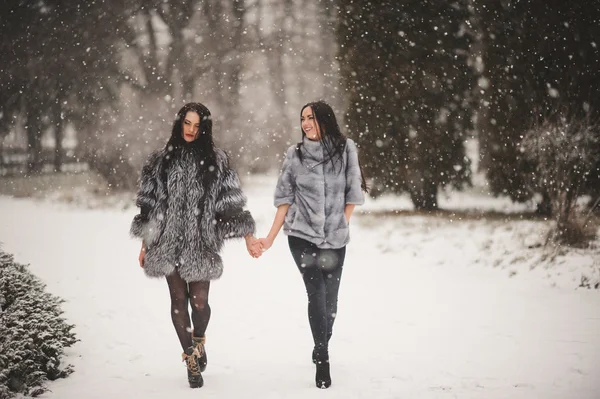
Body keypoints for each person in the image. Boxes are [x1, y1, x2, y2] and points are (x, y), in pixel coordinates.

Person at [130, 102, 262, 389]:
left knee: (199, 303)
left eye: (196, 125)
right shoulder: (160, 161)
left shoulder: (217, 160)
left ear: (204, 128)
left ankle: (198, 340)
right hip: (166, 242)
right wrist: (144, 243)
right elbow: (148, 207)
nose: (190, 130)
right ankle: (190, 358)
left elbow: (231, 203)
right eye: (186, 123)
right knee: (178, 301)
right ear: (179, 124)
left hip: (201, 242)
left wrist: (248, 235)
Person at [257, 100, 367, 389]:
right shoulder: (295, 154)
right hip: (301, 235)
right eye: (303, 118)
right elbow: (284, 200)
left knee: (331, 302)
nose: (305, 123)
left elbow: (353, 193)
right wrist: (269, 238)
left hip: (335, 239)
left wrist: (339, 224)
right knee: (316, 291)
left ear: (324, 120)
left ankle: (321, 339)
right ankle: (323, 357)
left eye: (311, 118)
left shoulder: (345, 150)